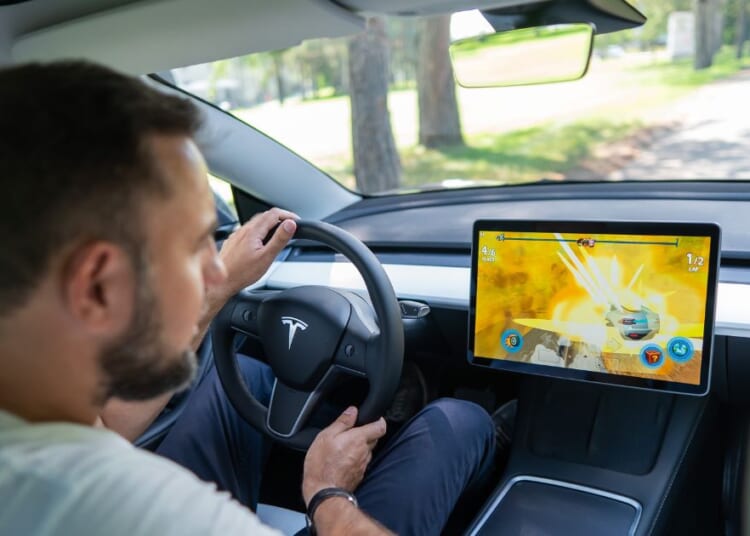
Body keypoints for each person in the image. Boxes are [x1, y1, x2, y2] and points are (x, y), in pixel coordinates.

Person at [0, 61, 495, 535]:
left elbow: (103, 428)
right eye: (197, 245)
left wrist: (215, 293)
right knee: (461, 422)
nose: (216, 268)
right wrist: (327, 495)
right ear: (97, 284)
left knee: (250, 375)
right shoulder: (151, 510)